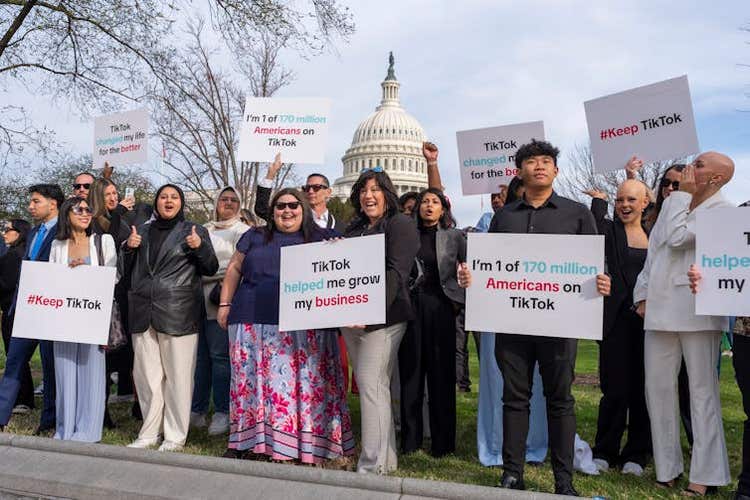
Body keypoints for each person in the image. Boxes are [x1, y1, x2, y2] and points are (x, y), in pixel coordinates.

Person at [461, 139, 611, 496]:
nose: (539, 166)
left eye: (546, 161)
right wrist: (473, 278)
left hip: (561, 325)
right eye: (532, 162)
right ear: (520, 171)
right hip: (512, 325)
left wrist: (601, 280)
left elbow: (592, 265)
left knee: (560, 400)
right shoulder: (504, 216)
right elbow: (491, 266)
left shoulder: (577, 214)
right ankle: (512, 473)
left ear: (556, 170)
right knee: (515, 398)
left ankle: (564, 479)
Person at [216, 187, 353, 463]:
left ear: (303, 209)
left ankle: (299, 446)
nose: (287, 211)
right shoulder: (254, 235)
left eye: (293, 205)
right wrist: (224, 303)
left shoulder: (323, 238)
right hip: (252, 318)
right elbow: (233, 268)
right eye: (280, 206)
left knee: (298, 387)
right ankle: (249, 443)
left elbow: (343, 269)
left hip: (304, 327)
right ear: (273, 211)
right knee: (250, 384)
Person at [633, 152, 735, 496]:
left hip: (698, 310)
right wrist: (642, 293)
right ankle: (667, 467)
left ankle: (706, 474)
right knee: (658, 390)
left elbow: (678, 237)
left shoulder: (722, 212)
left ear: (717, 178)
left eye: (701, 164)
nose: (693, 166)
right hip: (660, 310)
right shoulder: (676, 204)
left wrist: (679, 195)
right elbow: (656, 250)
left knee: (702, 392)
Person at [121, 184, 218, 451]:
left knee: (178, 377)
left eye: (174, 197)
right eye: (163, 196)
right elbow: (122, 271)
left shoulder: (194, 231)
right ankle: (149, 432)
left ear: (181, 203)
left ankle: (175, 435)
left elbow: (210, 266)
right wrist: (128, 249)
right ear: (156, 202)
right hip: (142, 311)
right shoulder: (140, 231)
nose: (168, 201)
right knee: (147, 377)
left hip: (179, 312)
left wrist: (199, 248)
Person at [340, 168, 420, 474]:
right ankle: (385, 460)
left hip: (385, 317)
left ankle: (372, 465)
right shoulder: (355, 229)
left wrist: (369, 312)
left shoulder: (400, 225)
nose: (368, 195)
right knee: (373, 385)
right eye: (363, 190)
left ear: (388, 194)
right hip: (352, 317)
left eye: (374, 189)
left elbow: (396, 273)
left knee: (371, 383)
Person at [585, 179, 652, 476]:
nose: (625, 205)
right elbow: (594, 225)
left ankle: (637, 454)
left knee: (644, 390)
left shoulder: (656, 235)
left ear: (645, 203)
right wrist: (599, 201)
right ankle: (604, 450)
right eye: (620, 200)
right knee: (614, 389)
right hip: (614, 323)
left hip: (649, 323)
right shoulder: (610, 231)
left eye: (631, 200)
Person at [398, 187, 465, 457]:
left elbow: (471, 269)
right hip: (411, 309)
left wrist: (458, 299)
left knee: (442, 377)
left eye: (434, 202)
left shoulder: (454, 237)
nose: (428, 206)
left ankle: (443, 442)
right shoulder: (407, 236)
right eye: (424, 201)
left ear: (442, 209)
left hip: (441, 309)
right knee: (412, 375)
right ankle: (411, 440)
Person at [49, 196, 117, 442]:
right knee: (64, 371)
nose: (85, 213)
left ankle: (88, 430)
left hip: (92, 316)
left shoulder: (103, 241)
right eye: (79, 209)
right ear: (67, 214)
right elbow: (50, 279)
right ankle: (65, 428)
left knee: (92, 372)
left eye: (88, 209)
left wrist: (87, 272)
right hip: (64, 317)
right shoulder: (58, 246)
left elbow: (114, 276)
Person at [0, 184, 64, 434]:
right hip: (26, 308)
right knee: (14, 361)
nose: (30, 206)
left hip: (51, 310)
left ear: (53, 203)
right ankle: (2, 416)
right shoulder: (35, 231)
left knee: (49, 367)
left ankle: (48, 421)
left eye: (36, 201)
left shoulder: (64, 231)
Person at [190, 187, 249, 435]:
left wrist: (211, 270)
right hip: (195, 299)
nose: (228, 203)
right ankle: (198, 409)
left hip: (221, 297)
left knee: (220, 357)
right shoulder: (204, 229)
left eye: (233, 200)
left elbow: (237, 265)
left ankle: (223, 411)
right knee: (200, 358)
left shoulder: (243, 231)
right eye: (224, 199)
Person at [0, 219, 31, 413]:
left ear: (18, 233)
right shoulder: (22, 253)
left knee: (15, 355)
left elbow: (6, 283)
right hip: (19, 309)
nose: (4, 233)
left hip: (12, 309)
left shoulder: (13, 255)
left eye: (7, 230)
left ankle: (22, 398)